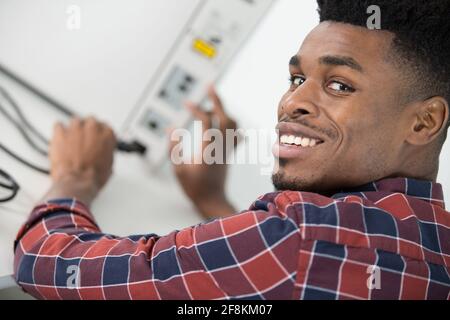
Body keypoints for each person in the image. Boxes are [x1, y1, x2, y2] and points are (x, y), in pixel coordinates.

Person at [13, 0, 450, 300]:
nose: (292, 102)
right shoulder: (436, 244)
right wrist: (211, 200)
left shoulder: (291, 241)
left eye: (339, 85)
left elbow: (43, 262)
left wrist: (77, 177)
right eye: (297, 79)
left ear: (424, 121)